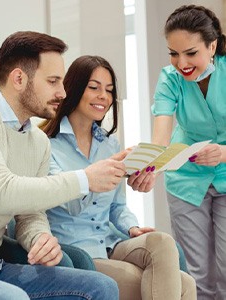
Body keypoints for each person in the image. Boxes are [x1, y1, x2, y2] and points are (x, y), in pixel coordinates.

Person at [0, 31, 126, 299]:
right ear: (19, 78)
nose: (63, 92)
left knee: (101, 287)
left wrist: (39, 239)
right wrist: (84, 179)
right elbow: (2, 194)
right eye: (53, 81)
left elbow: (30, 214)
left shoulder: (37, 142)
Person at [42, 55, 197, 300]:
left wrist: (132, 227)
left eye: (109, 90)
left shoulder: (109, 144)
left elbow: (116, 206)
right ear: (74, 89)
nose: (103, 96)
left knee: (163, 242)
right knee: (183, 285)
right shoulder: (46, 145)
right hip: (76, 250)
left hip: (111, 242)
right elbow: (70, 203)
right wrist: (99, 173)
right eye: (94, 88)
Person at [151, 5, 226, 299]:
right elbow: (160, 138)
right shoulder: (169, 79)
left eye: (191, 53)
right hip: (185, 180)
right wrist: (147, 165)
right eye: (173, 53)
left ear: (212, 45)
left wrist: (222, 154)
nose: (181, 63)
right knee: (197, 276)